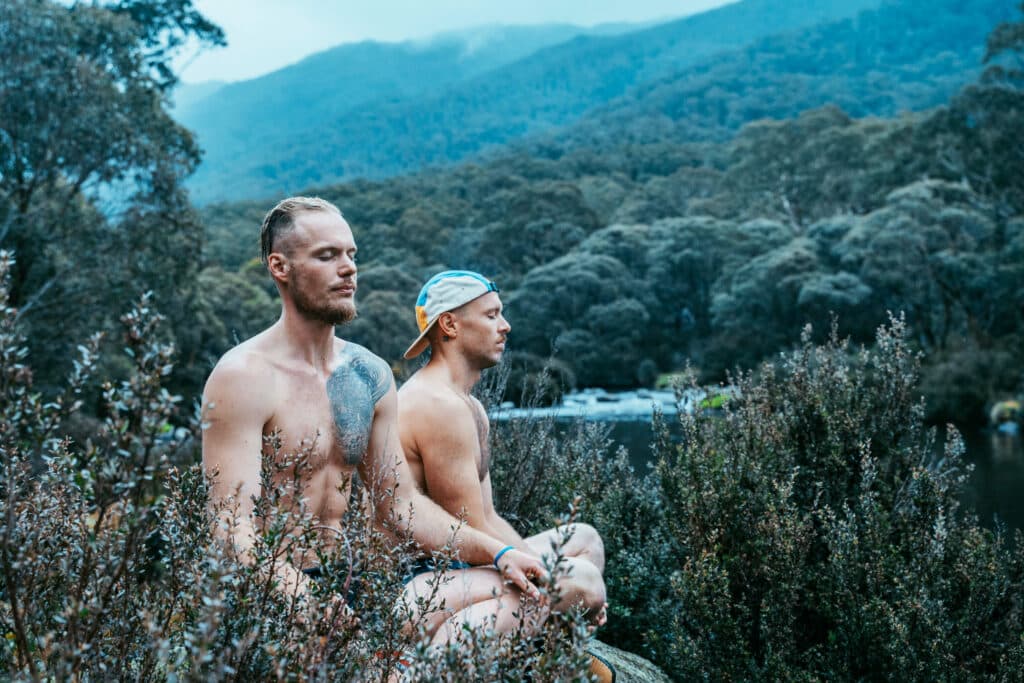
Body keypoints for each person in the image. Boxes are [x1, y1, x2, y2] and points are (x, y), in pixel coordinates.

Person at [200, 198, 546, 624]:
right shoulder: (243, 376)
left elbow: (401, 507)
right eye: (326, 256)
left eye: (351, 254)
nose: (348, 269)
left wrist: (501, 551)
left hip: (354, 584)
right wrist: (300, 599)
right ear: (280, 267)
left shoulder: (369, 374)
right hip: (269, 597)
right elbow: (230, 530)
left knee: (525, 595)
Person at [397, 270, 608, 647]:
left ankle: (540, 654)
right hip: (414, 589)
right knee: (584, 580)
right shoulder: (436, 404)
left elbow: (489, 517)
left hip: (458, 571)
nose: (505, 326)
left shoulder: (469, 405)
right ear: (450, 325)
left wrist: (546, 574)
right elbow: (473, 537)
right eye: (492, 315)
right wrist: (571, 590)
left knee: (584, 540)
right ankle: (440, 657)